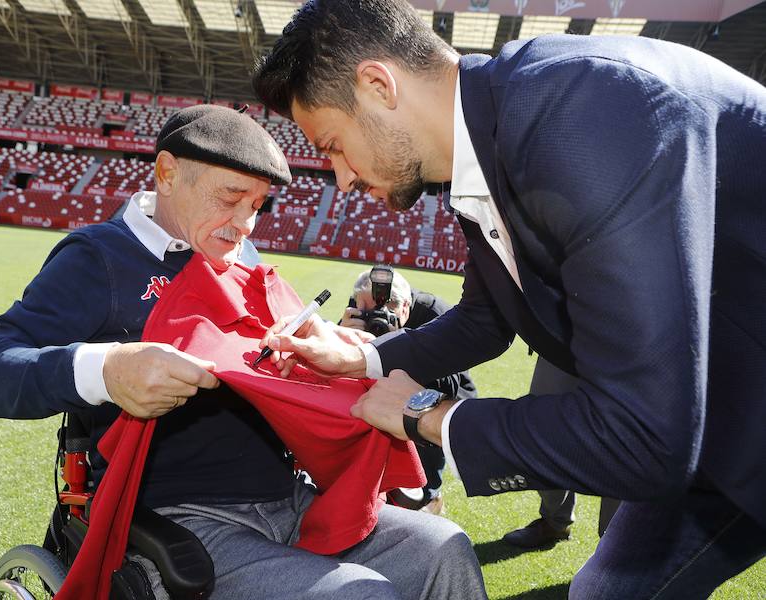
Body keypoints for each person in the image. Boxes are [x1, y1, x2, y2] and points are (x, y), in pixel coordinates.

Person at [252, 1, 766, 597]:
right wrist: (365, 358)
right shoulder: (493, 138)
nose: (340, 178)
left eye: (334, 144)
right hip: (728, 412)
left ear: (377, 85)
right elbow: (484, 319)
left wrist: (431, 415)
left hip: (697, 417)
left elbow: (645, 436)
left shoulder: (581, 110)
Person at [0, 104, 486, 600]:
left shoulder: (240, 253)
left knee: (446, 548)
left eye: (257, 205)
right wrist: (108, 368)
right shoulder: (98, 259)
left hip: (292, 495)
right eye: (229, 197)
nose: (245, 223)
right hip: (178, 514)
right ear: (167, 174)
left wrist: (324, 343)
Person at [341, 265, 478, 514]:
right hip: (385, 379)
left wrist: (399, 347)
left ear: (406, 306)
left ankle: (430, 496)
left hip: (446, 389)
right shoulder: (359, 311)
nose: (377, 319)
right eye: (368, 310)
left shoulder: (438, 315)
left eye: (387, 310)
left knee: (426, 426)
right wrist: (344, 334)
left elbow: (447, 385)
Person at [502, 357, 621, 549]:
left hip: (638, 337)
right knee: (542, 426)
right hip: (564, 335)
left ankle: (616, 551)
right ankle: (555, 521)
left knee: (624, 439)